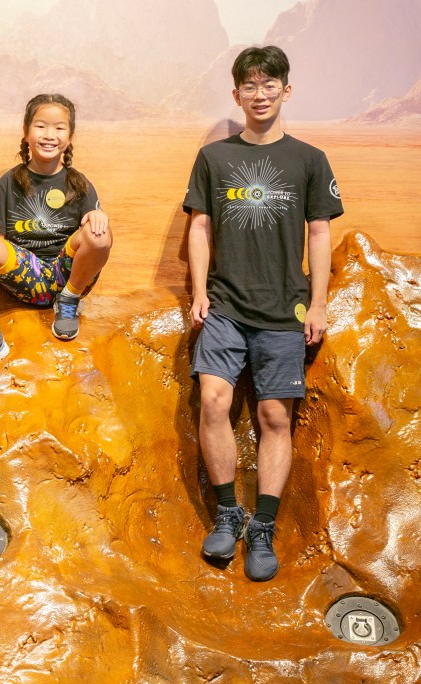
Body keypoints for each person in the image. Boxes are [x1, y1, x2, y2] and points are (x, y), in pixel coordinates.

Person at [184, 46, 343, 581]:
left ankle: (263, 527)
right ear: (236, 95)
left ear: (285, 91)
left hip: (283, 310)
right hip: (225, 303)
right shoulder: (215, 158)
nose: (259, 94)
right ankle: (228, 514)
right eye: (249, 87)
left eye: (269, 85)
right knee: (213, 400)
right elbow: (200, 227)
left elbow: (319, 232)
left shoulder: (309, 159)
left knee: (275, 417)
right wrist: (200, 289)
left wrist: (318, 302)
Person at [0, 93, 112, 375]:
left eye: (59, 128)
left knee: (100, 233)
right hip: (28, 277)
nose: (49, 135)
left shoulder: (79, 183)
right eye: (41, 126)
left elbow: (94, 233)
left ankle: (68, 301)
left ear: (70, 135)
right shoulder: (9, 182)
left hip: (67, 278)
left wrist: (99, 216)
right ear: (26, 131)